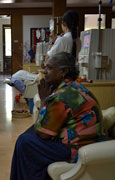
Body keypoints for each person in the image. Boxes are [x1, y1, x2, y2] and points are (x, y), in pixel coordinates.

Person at [10, 52, 106, 180]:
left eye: (49, 68)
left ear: (63, 71)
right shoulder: (75, 87)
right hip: (88, 142)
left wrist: (44, 100)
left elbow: (43, 133)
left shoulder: (62, 95)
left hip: (76, 148)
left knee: (24, 142)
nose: (44, 71)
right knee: (28, 135)